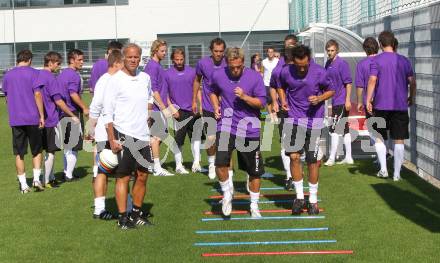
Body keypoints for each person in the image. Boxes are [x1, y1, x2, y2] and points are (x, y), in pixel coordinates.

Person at [102, 43, 155, 229]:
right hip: (122, 134)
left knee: (143, 176)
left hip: (142, 136)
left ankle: (137, 214)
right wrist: (111, 138)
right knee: (123, 177)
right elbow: (107, 113)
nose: (133, 60)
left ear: (140, 58)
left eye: (136, 57)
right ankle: (123, 217)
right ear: (123, 58)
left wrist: (148, 116)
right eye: (130, 57)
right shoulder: (114, 80)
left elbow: (150, 98)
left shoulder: (145, 78)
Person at [209, 47, 266, 218]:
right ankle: (227, 194)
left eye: (239, 66)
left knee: (254, 172)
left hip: (249, 128)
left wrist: (245, 97)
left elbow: (262, 103)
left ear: (243, 63)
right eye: (232, 67)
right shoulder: (218, 74)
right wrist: (216, 106)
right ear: (227, 63)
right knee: (220, 163)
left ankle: (254, 205)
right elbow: (212, 91)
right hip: (226, 126)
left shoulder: (254, 76)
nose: (236, 70)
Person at [278, 45, 335, 215]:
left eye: (304, 65)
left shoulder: (319, 72)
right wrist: (282, 100)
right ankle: (299, 197)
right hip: (294, 119)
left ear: (309, 60)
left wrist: (319, 98)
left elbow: (331, 90)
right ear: (293, 61)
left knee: (312, 161)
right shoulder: (286, 71)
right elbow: (280, 85)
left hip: (314, 121)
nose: (302, 68)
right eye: (298, 65)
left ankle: (312, 200)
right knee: (294, 156)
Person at [366, 31, 416, 181]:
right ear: (393, 43)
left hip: (381, 105)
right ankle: (397, 174)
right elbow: (412, 82)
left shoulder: (377, 60)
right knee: (399, 139)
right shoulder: (404, 60)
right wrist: (411, 97)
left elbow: (372, 80)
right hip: (400, 105)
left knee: (380, 137)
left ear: (380, 44)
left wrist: (368, 99)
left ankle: (383, 170)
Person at [35, 51, 79, 188]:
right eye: (57, 63)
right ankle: (47, 180)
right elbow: (59, 101)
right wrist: (72, 115)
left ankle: (50, 177)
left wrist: (40, 114)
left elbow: (37, 94)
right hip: (51, 119)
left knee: (43, 150)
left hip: (38, 119)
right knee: (51, 150)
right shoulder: (50, 78)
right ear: (50, 63)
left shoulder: (38, 75)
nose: (59, 66)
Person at [2, 50, 45, 193]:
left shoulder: (8, 75)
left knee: (19, 153)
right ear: (29, 60)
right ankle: (37, 179)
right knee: (36, 150)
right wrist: (41, 115)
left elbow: (7, 97)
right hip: (32, 117)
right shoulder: (34, 73)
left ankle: (23, 185)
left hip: (16, 119)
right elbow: (38, 94)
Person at [89, 50, 124, 219]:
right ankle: (99, 209)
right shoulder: (105, 81)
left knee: (121, 171)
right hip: (105, 134)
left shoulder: (114, 80)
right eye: (123, 63)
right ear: (116, 63)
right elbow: (95, 107)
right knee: (102, 171)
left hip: (117, 132)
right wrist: (90, 130)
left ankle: (126, 206)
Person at [193, 38, 228, 180]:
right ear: (211, 50)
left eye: (221, 51)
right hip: (208, 106)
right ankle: (212, 164)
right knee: (210, 138)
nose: (218, 54)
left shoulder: (229, 62)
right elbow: (197, 80)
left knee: (225, 139)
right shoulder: (203, 63)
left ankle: (226, 167)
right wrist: (194, 100)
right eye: (216, 51)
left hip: (227, 107)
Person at [269, 34, 298, 190]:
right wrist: (274, 101)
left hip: (302, 110)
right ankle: (289, 176)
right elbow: (273, 85)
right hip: (285, 111)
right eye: (286, 46)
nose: (288, 49)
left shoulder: (305, 63)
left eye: (291, 46)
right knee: (286, 143)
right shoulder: (279, 66)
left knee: (302, 144)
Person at [165, 48, 200, 174]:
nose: (179, 62)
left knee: (196, 138)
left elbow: (198, 89)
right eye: (177, 59)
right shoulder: (167, 74)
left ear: (184, 59)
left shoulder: (192, 72)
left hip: (192, 110)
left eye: (181, 59)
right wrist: (171, 109)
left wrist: (198, 104)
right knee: (178, 141)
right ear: (173, 59)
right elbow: (165, 94)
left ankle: (196, 163)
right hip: (178, 112)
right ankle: (179, 166)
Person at [58, 49, 89, 182]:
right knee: (74, 145)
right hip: (72, 112)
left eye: (83, 59)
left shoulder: (62, 73)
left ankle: (67, 172)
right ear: (72, 60)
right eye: (80, 60)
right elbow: (73, 94)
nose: (82, 62)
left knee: (68, 146)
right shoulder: (73, 75)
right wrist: (84, 107)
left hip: (62, 112)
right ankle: (69, 175)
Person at [144, 39, 173, 176]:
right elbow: (153, 90)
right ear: (155, 50)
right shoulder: (152, 66)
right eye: (162, 51)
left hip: (159, 107)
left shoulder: (157, 66)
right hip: (155, 108)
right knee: (156, 137)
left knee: (160, 135)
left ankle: (149, 163)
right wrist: (163, 107)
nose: (165, 53)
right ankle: (156, 167)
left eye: (165, 51)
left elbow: (162, 89)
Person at [324, 39, 354, 166]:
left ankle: (331, 158)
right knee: (345, 129)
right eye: (328, 51)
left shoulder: (342, 64)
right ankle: (349, 157)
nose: (330, 53)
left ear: (337, 50)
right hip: (334, 101)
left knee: (335, 129)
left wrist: (347, 100)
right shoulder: (328, 63)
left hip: (341, 101)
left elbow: (348, 83)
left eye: (332, 50)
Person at [262, 47, 279, 120]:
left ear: (274, 53)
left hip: (275, 83)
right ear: (267, 53)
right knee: (268, 101)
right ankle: (271, 116)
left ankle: (275, 114)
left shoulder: (277, 61)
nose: (270, 53)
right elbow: (262, 72)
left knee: (275, 100)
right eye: (269, 52)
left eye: (272, 52)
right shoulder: (264, 61)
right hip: (266, 83)